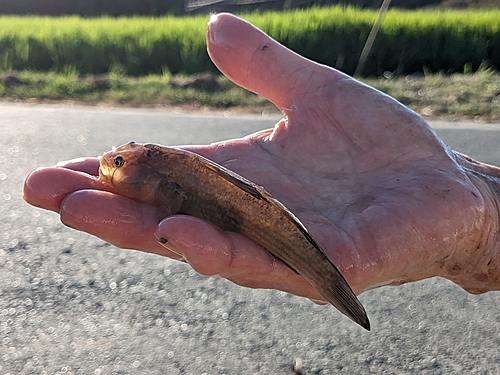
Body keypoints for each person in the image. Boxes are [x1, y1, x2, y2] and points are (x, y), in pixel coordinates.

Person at [23, 13, 500, 303]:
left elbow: (170, 196)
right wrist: (483, 217)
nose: (112, 164)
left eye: (122, 163)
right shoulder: (161, 172)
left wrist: (482, 219)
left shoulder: (167, 179)